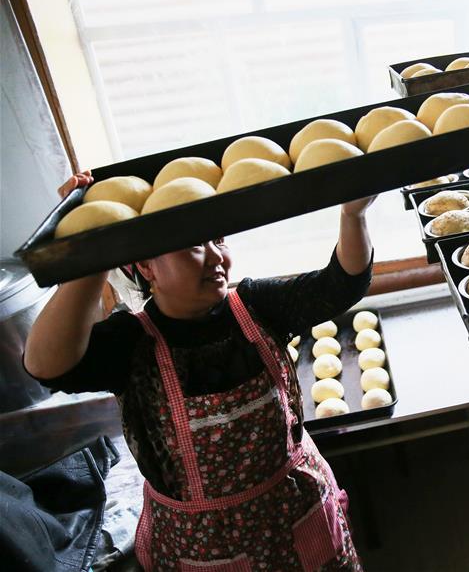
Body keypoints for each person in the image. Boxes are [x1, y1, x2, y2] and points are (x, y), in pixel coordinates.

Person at [25, 172, 375, 570]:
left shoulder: (257, 307)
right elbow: (47, 366)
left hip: (298, 512)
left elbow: (341, 285)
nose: (217, 257)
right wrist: (87, 256)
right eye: (194, 245)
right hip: (200, 546)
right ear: (146, 265)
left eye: (220, 240)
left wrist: (353, 214)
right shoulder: (131, 344)